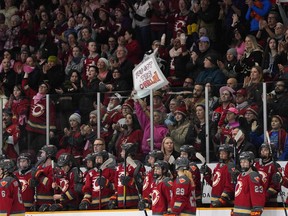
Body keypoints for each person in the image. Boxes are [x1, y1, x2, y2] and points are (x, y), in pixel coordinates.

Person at [108, 143, 144, 209]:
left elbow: (141, 185)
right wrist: (114, 198)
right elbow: (117, 186)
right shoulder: (119, 167)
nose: (121, 152)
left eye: (123, 151)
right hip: (120, 204)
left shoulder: (137, 165)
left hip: (133, 204)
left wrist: (130, 181)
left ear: (129, 153)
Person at [232, 151, 265, 216]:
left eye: (245, 161)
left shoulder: (253, 175)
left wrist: (257, 209)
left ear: (251, 162)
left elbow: (257, 195)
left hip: (246, 213)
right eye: (241, 162)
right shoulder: (240, 175)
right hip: (237, 212)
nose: (242, 164)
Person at [29, 145, 57, 212]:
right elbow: (33, 185)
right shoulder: (39, 167)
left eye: (43, 153)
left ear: (48, 154)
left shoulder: (54, 168)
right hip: (38, 203)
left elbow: (50, 186)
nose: (41, 155)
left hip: (49, 204)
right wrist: (31, 181)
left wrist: (40, 176)